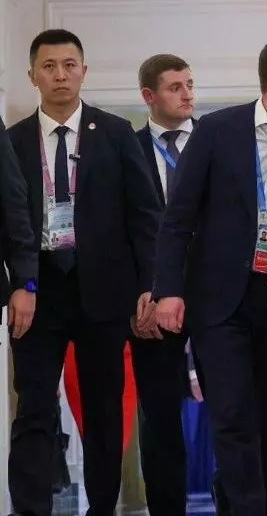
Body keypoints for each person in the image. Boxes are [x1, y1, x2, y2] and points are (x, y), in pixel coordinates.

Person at [153, 36, 267, 516]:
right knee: (231, 416)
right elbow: (178, 218)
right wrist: (168, 290)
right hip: (222, 300)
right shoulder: (217, 130)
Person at [7, 28, 162, 516]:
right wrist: (18, 283)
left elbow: (144, 215)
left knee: (103, 413)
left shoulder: (114, 133)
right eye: (49, 66)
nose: (60, 74)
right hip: (38, 291)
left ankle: (102, 508)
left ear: (84, 71)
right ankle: (31, 509)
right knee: (33, 409)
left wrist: (148, 285)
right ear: (32, 75)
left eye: (69, 65)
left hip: (104, 293)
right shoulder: (13, 141)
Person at [130, 53, 198, 516]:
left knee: (235, 414)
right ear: (148, 95)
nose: (187, 94)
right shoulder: (127, 148)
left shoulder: (215, 142)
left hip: (216, 299)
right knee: (159, 418)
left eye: (190, 84)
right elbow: (120, 230)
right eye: (175, 87)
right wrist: (144, 289)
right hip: (151, 302)